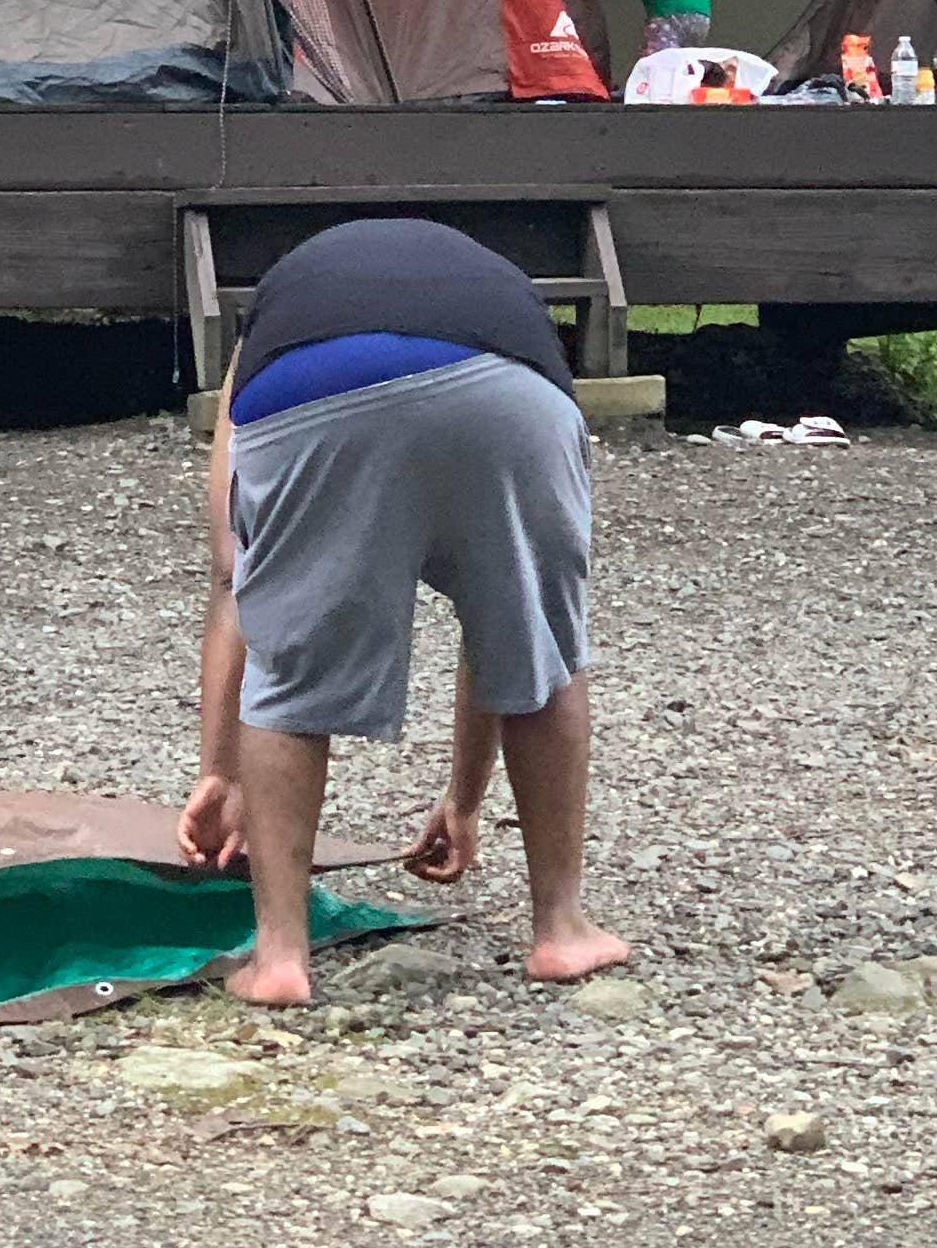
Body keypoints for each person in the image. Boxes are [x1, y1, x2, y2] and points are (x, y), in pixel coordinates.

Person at [177, 215, 629, 1006]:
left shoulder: (268, 330)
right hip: (509, 388)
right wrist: (465, 800)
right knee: (536, 639)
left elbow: (234, 576)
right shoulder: (494, 286)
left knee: (291, 666)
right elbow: (498, 638)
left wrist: (219, 770)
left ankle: (279, 955)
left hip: (310, 391)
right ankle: (560, 930)